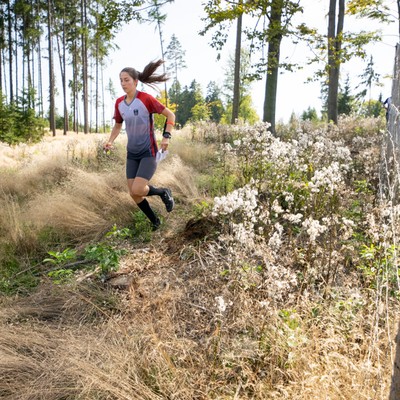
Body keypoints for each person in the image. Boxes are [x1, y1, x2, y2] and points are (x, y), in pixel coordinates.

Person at [104, 59, 175, 230]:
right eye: (121, 80)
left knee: (138, 188)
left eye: (126, 79)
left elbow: (170, 115)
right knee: (134, 194)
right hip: (132, 154)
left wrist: (166, 136)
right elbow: (118, 125)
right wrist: (110, 141)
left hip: (148, 152)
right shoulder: (119, 103)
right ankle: (155, 222)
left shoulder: (146, 99)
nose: (123, 83)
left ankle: (163, 192)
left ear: (136, 82)